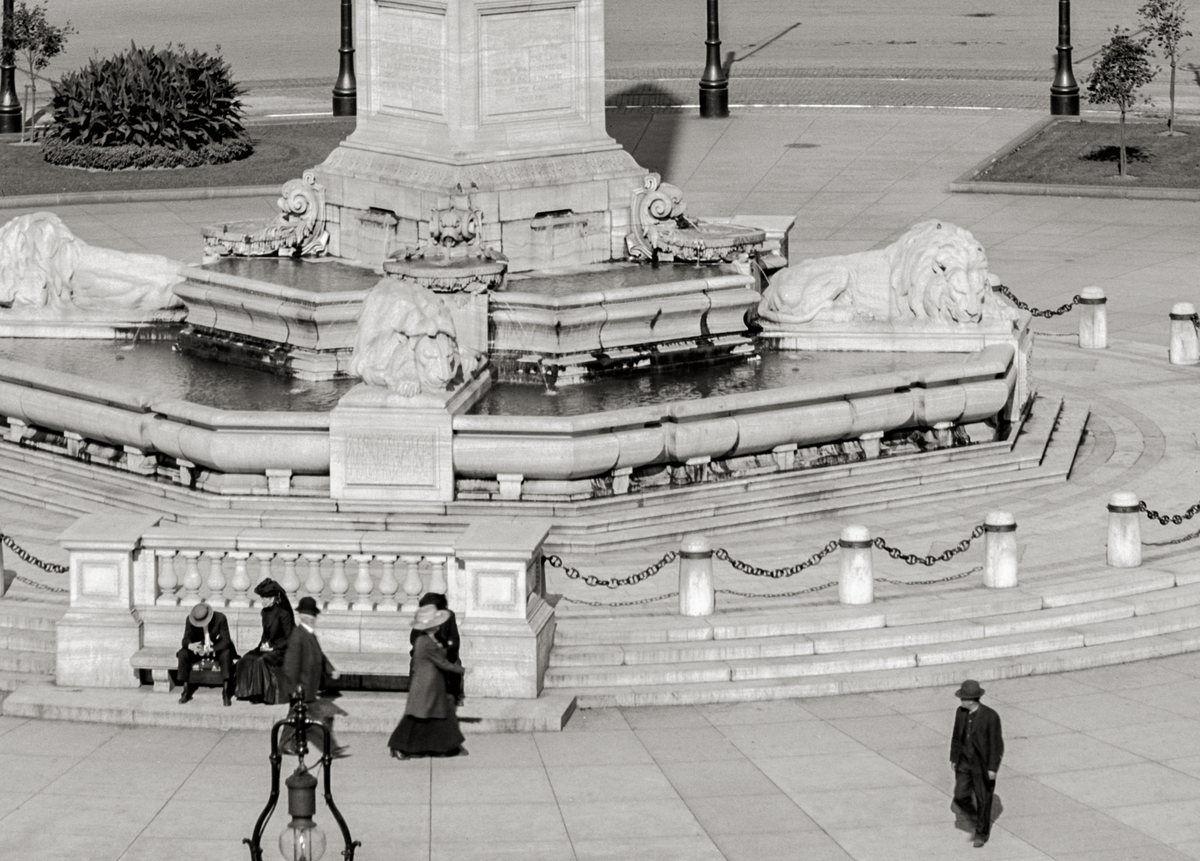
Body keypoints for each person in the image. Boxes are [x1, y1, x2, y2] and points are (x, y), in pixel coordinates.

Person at [389, 604, 465, 759]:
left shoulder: (430, 639)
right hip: (426, 685)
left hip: (432, 684)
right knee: (416, 718)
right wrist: (462, 670)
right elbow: (442, 663)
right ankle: (399, 746)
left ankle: (446, 747)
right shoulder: (425, 642)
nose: (439, 625)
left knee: (436, 716)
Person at [280, 597, 349, 758]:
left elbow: (319, 656)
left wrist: (330, 669)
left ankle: (286, 745)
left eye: (310, 615)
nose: (309, 618)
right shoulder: (298, 635)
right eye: (307, 615)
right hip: (302, 688)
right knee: (313, 721)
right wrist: (294, 688)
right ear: (302, 616)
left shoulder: (308, 634)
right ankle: (331, 749)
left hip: (308, 687)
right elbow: (291, 665)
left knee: (297, 721)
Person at [950, 679, 1004, 848]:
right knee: (960, 795)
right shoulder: (960, 712)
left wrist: (992, 768)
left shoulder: (990, 716)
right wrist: (954, 758)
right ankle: (975, 816)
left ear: (971, 700)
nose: (960, 700)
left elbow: (996, 744)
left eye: (963, 698)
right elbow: (956, 736)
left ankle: (981, 833)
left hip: (981, 765)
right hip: (963, 762)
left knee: (983, 799)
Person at [234, 578, 295, 704]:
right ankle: (248, 692)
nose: (262, 601)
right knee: (247, 658)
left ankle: (260, 695)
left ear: (272, 599)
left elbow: (290, 638)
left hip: (282, 649)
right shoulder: (264, 612)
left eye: (264, 598)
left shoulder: (284, 613)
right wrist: (263, 644)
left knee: (261, 660)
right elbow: (266, 634)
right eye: (261, 598)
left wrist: (273, 648)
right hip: (269, 646)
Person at [176, 602, 239, 706]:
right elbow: (185, 639)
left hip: (215, 649)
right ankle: (186, 690)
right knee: (183, 654)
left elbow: (226, 641)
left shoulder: (220, 618)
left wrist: (211, 649)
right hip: (199, 650)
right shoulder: (190, 620)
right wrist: (190, 645)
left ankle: (226, 691)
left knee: (226, 654)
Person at [408, 592, 462, 706]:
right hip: (426, 653)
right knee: (415, 661)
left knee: (455, 663)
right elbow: (413, 638)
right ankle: (416, 695)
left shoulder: (449, 616)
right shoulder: (423, 616)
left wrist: (444, 648)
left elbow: (454, 638)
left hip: (445, 651)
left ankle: (454, 695)